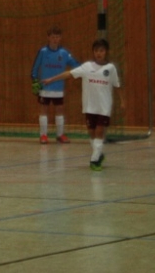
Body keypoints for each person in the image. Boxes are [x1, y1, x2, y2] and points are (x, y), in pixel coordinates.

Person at [42, 39, 121, 171]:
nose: (99, 53)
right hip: (89, 106)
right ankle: (98, 153)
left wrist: (122, 101)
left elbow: (117, 85)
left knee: (99, 131)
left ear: (106, 52)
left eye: (101, 51)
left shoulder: (110, 68)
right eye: (96, 51)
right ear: (93, 52)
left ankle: (94, 161)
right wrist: (52, 79)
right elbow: (69, 74)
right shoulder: (87, 67)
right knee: (92, 133)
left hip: (104, 107)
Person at [30, 25, 78, 144]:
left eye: (57, 37)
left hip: (58, 88)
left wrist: (86, 70)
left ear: (60, 38)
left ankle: (60, 135)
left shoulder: (64, 53)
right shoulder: (43, 52)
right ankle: (43, 135)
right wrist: (35, 81)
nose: (55, 39)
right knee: (43, 110)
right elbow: (35, 69)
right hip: (45, 87)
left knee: (60, 110)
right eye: (52, 37)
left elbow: (76, 66)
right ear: (48, 37)